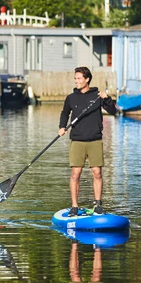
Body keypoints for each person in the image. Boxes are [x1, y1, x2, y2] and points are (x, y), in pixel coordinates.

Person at [59, 66, 117, 216]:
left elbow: (113, 111)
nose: (76, 81)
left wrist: (107, 99)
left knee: (97, 172)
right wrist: (61, 127)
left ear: (87, 79)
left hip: (95, 140)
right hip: (77, 140)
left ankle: (98, 205)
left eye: (79, 78)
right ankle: (74, 207)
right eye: (75, 78)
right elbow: (65, 113)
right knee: (75, 173)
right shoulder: (71, 98)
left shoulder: (97, 96)